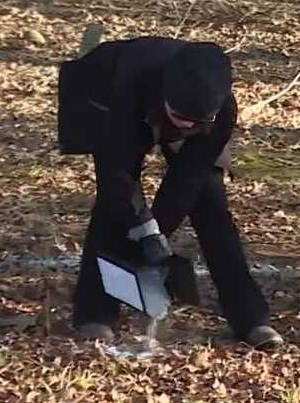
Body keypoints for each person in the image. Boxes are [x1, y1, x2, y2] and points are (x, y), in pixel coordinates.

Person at [57, 36, 282, 349]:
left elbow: (189, 178)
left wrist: (158, 234)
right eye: (180, 118)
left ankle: (251, 316)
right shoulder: (130, 85)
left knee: (211, 201)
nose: (185, 127)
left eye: (194, 123)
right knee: (113, 204)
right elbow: (118, 173)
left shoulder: (221, 111)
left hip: (171, 108)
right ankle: (95, 313)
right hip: (105, 94)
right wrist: (143, 229)